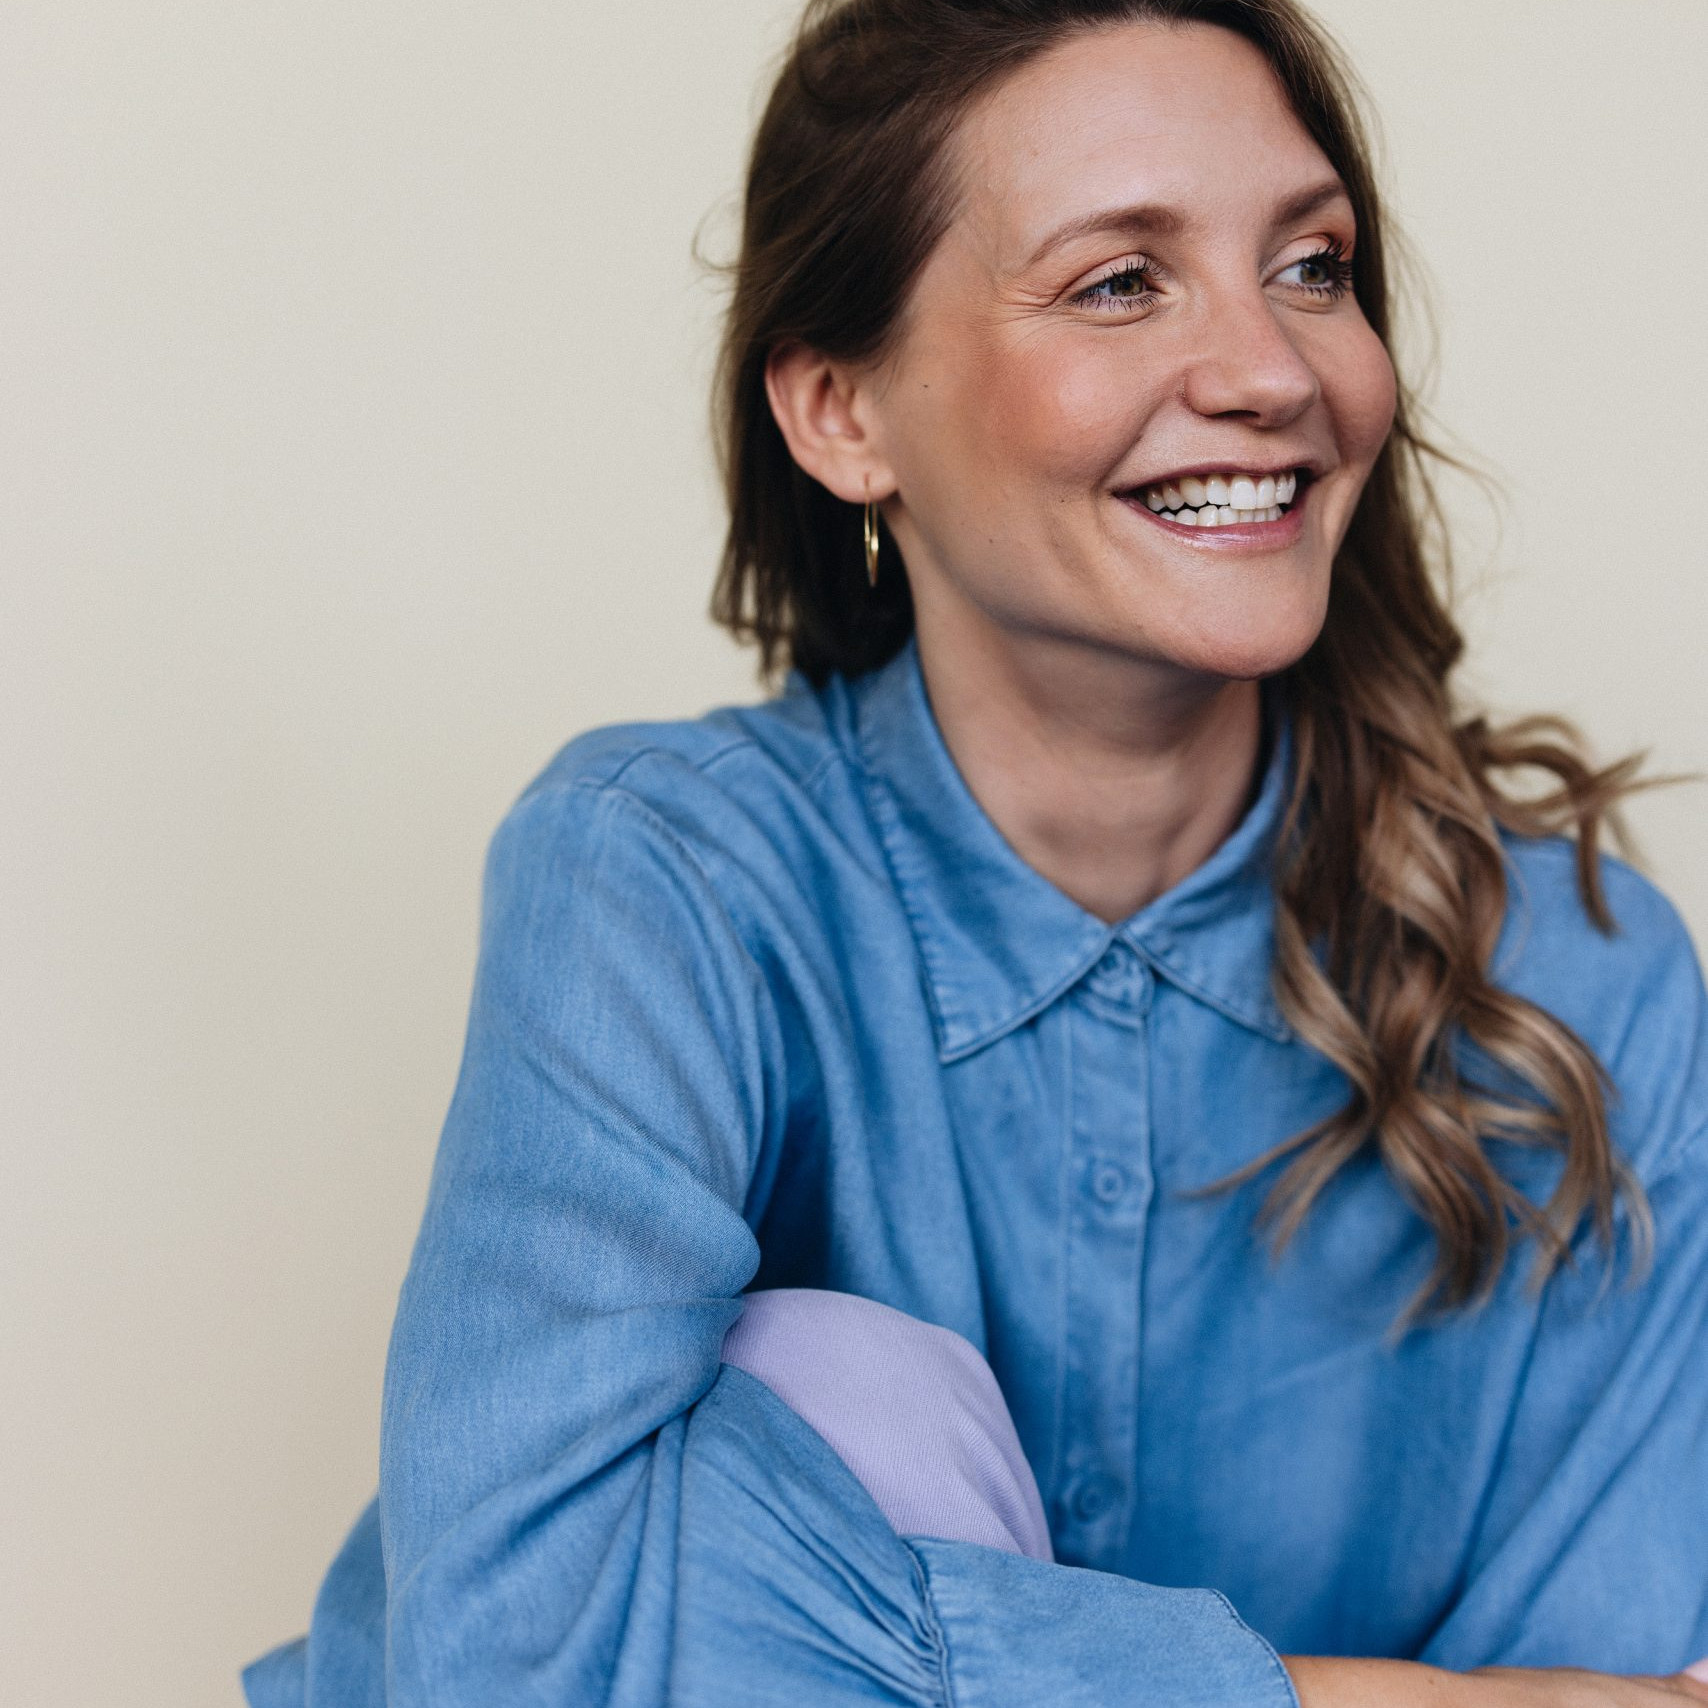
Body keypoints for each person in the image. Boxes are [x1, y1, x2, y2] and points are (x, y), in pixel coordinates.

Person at [242, 2, 1708, 1703]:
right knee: (833, 1382)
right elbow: (513, 1646)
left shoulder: (1582, 988)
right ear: (840, 411)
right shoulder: (664, 880)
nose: (1272, 370)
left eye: (1311, 266)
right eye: (1121, 281)